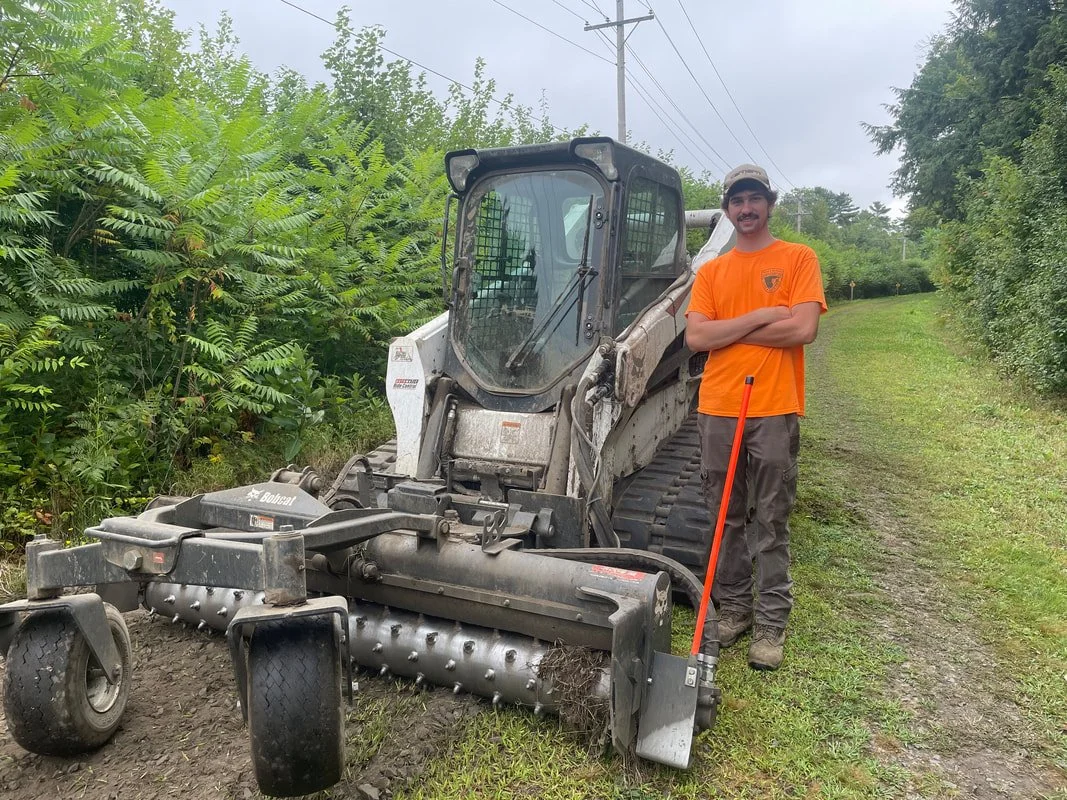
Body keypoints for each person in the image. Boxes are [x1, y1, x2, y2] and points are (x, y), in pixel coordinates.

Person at [684, 164, 826, 671]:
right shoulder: (712, 272)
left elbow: (804, 329)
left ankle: (770, 620)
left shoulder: (797, 258)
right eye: (737, 201)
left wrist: (729, 331)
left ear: (769, 204)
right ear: (726, 209)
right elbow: (696, 339)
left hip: (773, 408)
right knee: (724, 516)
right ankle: (737, 607)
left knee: (771, 517)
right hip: (718, 408)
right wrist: (766, 315)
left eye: (754, 199)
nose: (746, 209)